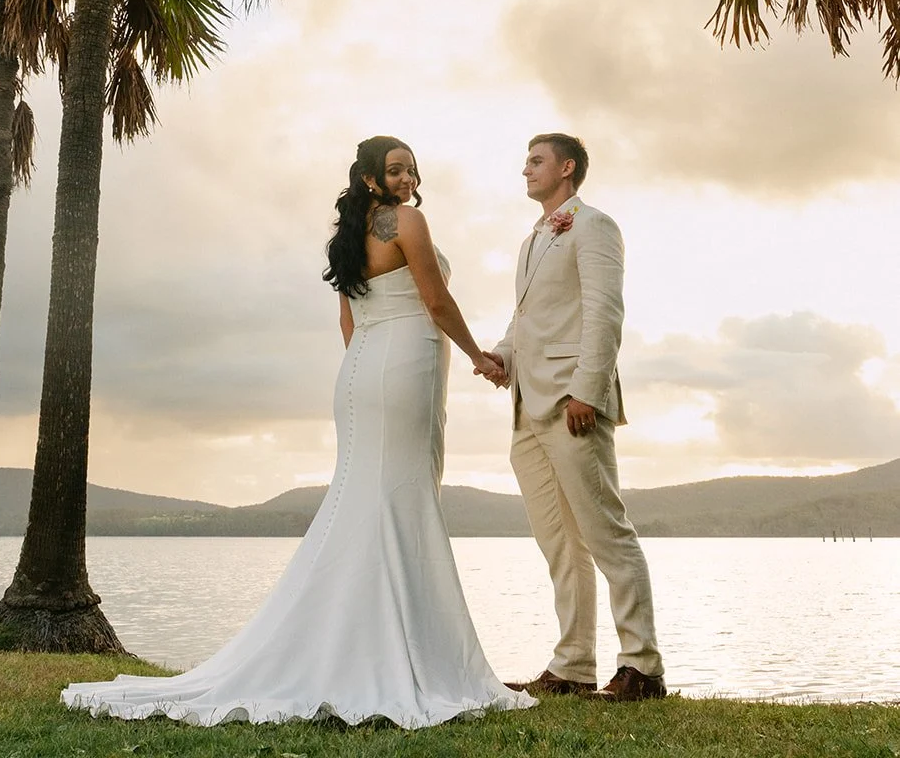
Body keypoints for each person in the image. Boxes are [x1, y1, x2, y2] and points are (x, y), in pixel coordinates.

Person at [62, 136, 533, 728]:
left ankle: (366, 643)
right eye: (394, 170)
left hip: (362, 369)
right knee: (399, 499)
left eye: (411, 169)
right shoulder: (407, 223)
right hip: (403, 364)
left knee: (370, 500)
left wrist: (364, 373)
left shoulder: (346, 239)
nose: (407, 178)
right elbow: (436, 302)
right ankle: (399, 655)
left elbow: (348, 321)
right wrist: (480, 358)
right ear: (368, 179)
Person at [479, 132, 665, 702]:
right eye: (525, 161)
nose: (526, 170)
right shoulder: (532, 238)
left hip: (571, 404)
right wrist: (502, 355)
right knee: (559, 543)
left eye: (535, 161)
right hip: (525, 408)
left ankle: (642, 667)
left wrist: (587, 390)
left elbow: (605, 313)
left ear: (567, 168)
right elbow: (527, 316)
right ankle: (573, 665)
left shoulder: (594, 225)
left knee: (606, 531)